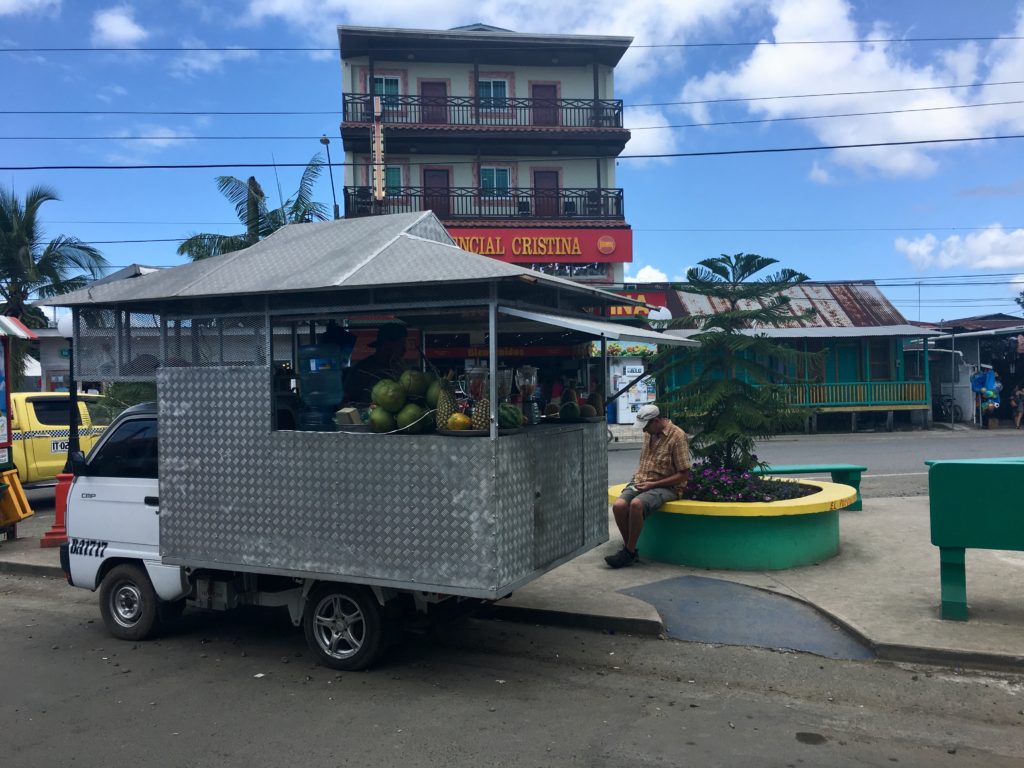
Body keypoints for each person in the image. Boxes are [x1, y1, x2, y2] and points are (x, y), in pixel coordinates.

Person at [606, 404, 691, 569]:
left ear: (656, 421)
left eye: (646, 427)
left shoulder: (677, 436)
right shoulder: (649, 434)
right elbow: (645, 461)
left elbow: (684, 474)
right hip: (642, 481)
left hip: (667, 486)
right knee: (619, 506)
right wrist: (638, 477)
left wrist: (654, 484)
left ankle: (628, 553)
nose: (644, 431)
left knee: (636, 505)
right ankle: (629, 549)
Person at [343, 322, 408, 404]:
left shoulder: (401, 369)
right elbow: (345, 400)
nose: (404, 350)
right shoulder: (361, 370)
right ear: (387, 344)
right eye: (401, 344)